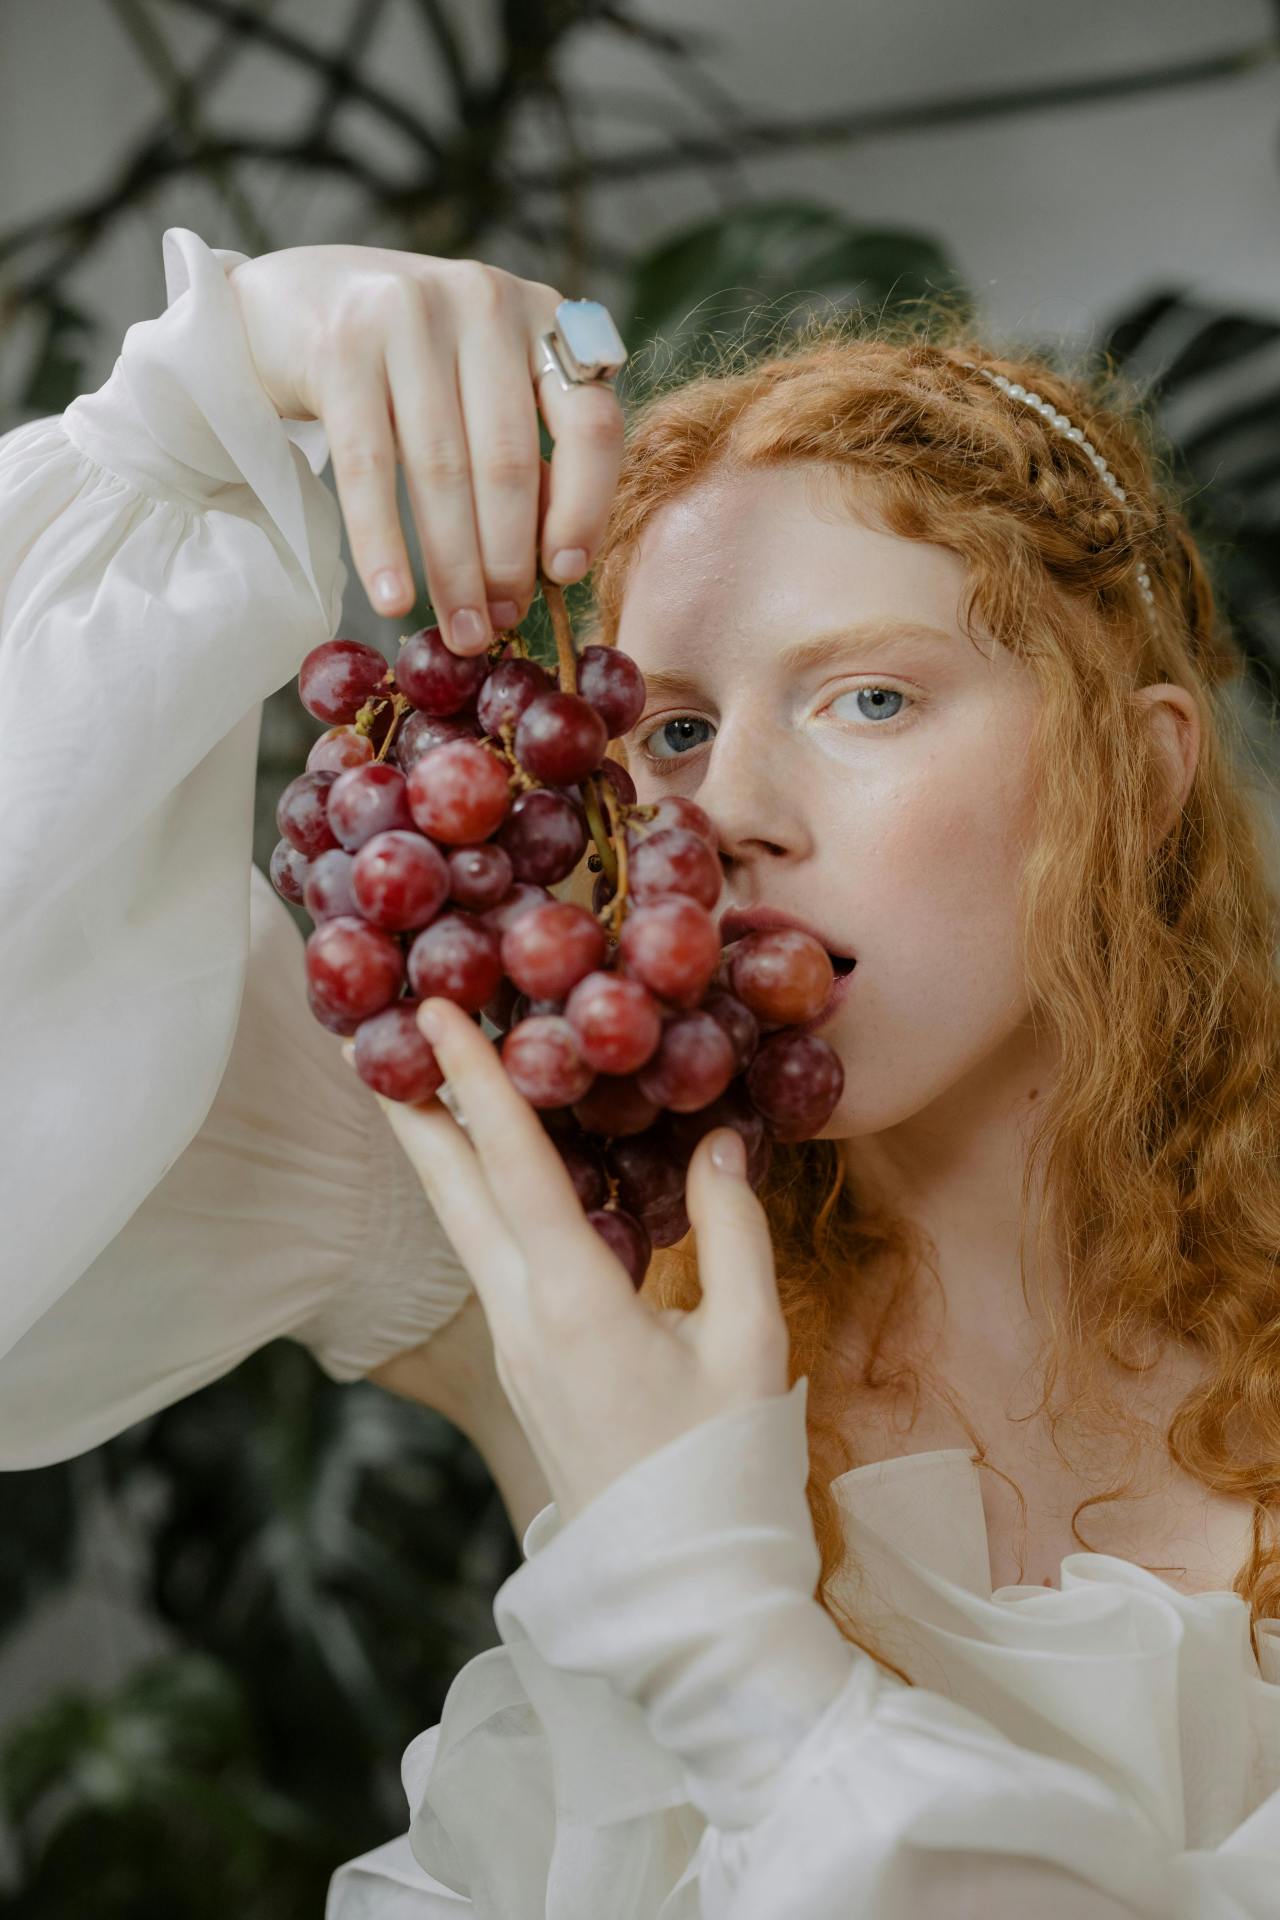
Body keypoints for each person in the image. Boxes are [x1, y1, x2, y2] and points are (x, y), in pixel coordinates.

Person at [0, 229, 1277, 1918]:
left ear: (1142, 765)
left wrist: (722, 1629)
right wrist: (194, 403)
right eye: (668, 730)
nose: (728, 809)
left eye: (869, 697)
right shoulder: (539, 1235)